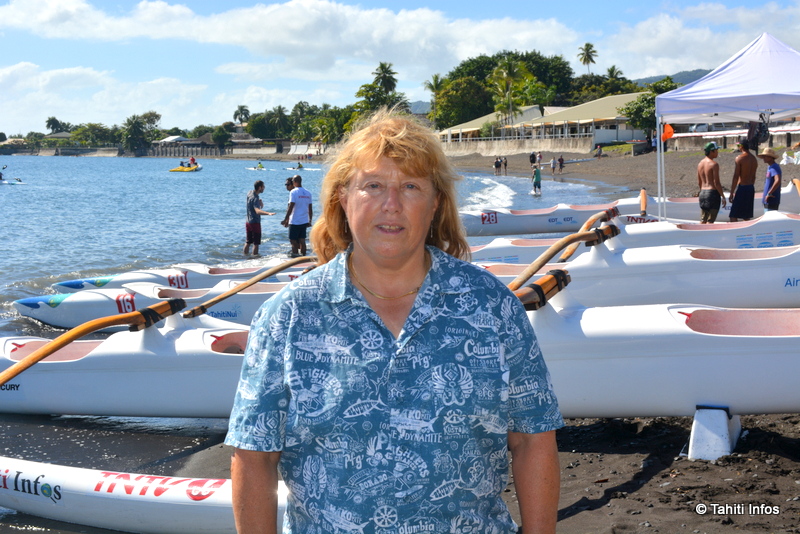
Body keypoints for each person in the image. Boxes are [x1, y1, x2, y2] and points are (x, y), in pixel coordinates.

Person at [225, 110, 563, 534]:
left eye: (411, 186)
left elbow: (533, 439)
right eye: (373, 186)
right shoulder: (288, 316)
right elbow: (254, 456)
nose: (392, 204)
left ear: (436, 202)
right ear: (343, 199)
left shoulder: (492, 307)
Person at [281, 175, 313, 257]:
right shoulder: (308, 193)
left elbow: (291, 206)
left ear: (294, 182)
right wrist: (310, 221)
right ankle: (303, 257)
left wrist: (285, 219)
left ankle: (295, 257)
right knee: (302, 241)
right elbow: (310, 208)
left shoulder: (293, 192)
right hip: (304, 220)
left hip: (295, 221)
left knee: (293, 241)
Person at [243, 180, 275, 256]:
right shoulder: (255, 198)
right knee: (256, 243)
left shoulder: (250, 192)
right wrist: (268, 213)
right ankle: (255, 259)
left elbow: (252, 203)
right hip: (255, 222)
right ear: (259, 187)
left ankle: (244, 257)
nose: (264, 188)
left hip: (248, 221)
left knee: (248, 242)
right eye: (263, 187)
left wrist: (259, 202)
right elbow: (257, 211)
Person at [697, 142, 727, 223]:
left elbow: (699, 182)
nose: (718, 152)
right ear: (711, 151)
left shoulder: (700, 164)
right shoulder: (714, 164)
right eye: (716, 150)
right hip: (712, 194)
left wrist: (701, 193)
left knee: (703, 220)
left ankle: (701, 235)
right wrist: (723, 196)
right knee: (710, 221)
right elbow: (716, 183)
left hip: (702, 193)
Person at [728, 139, 758, 221]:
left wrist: (731, 193)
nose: (738, 147)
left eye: (738, 146)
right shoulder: (754, 159)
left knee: (733, 215)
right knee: (746, 216)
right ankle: (747, 233)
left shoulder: (740, 158)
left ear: (741, 146)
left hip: (742, 187)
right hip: (750, 187)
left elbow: (736, 176)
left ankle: (735, 233)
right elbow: (754, 177)